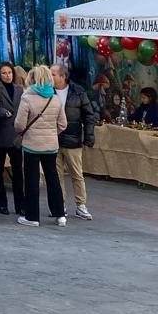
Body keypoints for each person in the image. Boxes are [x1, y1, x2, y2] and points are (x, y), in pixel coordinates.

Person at [14, 64, 68, 227]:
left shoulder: (27, 97)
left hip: (32, 145)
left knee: (31, 180)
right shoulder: (55, 98)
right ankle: (60, 215)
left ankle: (32, 217)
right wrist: (51, 133)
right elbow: (63, 124)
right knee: (53, 178)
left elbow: (19, 125)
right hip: (51, 145)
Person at [57, 61, 97, 221]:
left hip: (73, 139)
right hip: (53, 140)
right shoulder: (48, 91)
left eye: (53, 74)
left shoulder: (78, 92)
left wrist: (89, 138)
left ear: (63, 76)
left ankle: (81, 205)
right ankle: (61, 206)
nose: (50, 77)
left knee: (77, 174)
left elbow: (89, 116)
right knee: (56, 175)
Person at [0, 61, 27, 217]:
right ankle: (2, 204)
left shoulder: (19, 89)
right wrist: (1, 111)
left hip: (16, 136)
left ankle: (20, 205)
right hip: (0, 134)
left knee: (18, 172)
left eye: (9, 72)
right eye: (4, 73)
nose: (7, 75)